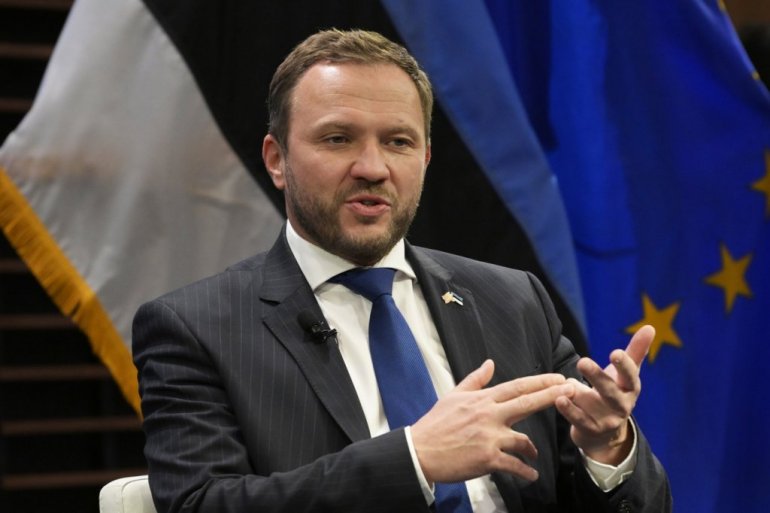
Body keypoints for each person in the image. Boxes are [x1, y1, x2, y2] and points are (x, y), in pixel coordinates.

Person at [133, 29, 671, 513]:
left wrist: (607, 448)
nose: (373, 168)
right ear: (277, 159)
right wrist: (413, 459)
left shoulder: (513, 299)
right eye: (338, 138)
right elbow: (200, 503)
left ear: (426, 158)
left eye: (398, 142)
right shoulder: (195, 328)